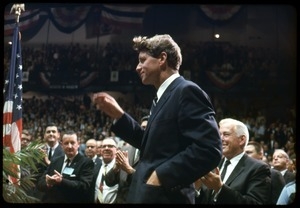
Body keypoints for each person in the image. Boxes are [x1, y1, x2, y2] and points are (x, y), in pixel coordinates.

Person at [92, 34, 222, 204]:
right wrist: (120, 116)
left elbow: (209, 148)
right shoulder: (161, 97)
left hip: (167, 196)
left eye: (142, 60)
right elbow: (150, 144)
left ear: (162, 58)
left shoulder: (186, 91)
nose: (137, 67)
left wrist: (162, 175)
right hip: (148, 194)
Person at [198, 118, 271, 204]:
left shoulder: (258, 169)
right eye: (219, 134)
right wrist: (197, 189)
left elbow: (255, 203)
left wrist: (220, 188)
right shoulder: (214, 164)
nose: (220, 139)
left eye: (226, 134)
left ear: (242, 140)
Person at [37, 130, 94, 203]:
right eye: (66, 143)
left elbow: (84, 186)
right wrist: (48, 183)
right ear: (61, 145)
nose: (70, 146)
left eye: (72, 143)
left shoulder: (86, 162)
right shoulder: (55, 161)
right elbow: (40, 183)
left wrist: (61, 181)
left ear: (78, 144)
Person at [105, 115, 149, 203]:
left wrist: (129, 170)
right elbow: (109, 182)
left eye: (147, 128)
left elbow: (148, 185)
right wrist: (115, 169)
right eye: (142, 128)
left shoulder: (156, 154)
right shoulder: (125, 150)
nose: (144, 131)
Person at [95, 137, 119, 203]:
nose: (106, 148)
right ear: (100, 150)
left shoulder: (120, 168)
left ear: (116, 150)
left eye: (110, 146)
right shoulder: (95, 166)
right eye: (103, 146)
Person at [85, 138, 102, 203]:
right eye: (87, 147)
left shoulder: (101, 163)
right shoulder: (80, 161)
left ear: (97, 149)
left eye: (92, 147)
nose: (89, 148)